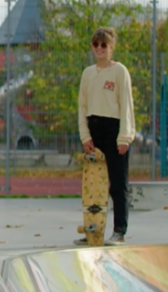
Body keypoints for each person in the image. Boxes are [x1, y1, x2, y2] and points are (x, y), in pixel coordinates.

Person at [74, 27, 135, 246]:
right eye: (96, 44)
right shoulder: (88, 73)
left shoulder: (119, 72)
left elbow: (126, 105)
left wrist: (124, 137)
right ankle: (93, 230)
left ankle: (119, 231)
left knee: (117, 184)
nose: (99, 49)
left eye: (104, 45)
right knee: (93, 186)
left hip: (114, 130)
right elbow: (82, 106)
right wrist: (85, 135)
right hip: (94, 129)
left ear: (111, 48)